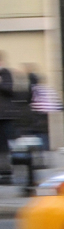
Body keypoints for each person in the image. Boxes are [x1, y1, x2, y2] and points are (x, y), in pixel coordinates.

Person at [0, 53, 15, 185]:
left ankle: (6, 174)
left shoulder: (5, 73)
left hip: (4, 116)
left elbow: (9, 89)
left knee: (5, 146)